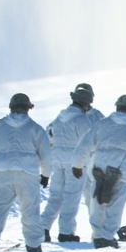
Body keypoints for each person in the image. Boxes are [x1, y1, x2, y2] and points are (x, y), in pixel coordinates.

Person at [0, 93, 52, 252]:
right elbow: (46, 155)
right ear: (27, 108)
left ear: (11, 107)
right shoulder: (36, 128)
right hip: (28, 175)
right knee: (30, 210)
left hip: (1, 174)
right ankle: (33, 244)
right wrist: (45, 175)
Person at [71, 94, 126, 249]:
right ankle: (107, 237)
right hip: (120, 174)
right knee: (115, 208)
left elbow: (85, 143)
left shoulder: (102, 124)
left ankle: (97, 236)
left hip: (99, 170)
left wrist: (77, 164)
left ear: (117, 106)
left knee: (97, 203)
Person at [40, 86, 95, 242]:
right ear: (86, 102)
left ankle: (43, 227)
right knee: (71, 197)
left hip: (57, 161)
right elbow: (88, 142)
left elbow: (49, 134)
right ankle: (66, 232)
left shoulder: (60, 116)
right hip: (75, 164)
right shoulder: (82, 119)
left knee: (55, 196)